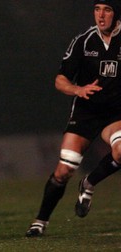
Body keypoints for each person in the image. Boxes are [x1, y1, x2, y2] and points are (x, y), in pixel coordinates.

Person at [26, 0, 121, 237]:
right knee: (63, 171)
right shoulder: (83, 40)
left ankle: (88, 183)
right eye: (97, 9)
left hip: (114, 113)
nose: (100, 15)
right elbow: (60, 80)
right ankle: (40, 221)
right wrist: (78, 90)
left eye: (107, 9)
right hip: (85, 112)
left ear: (116, 13)